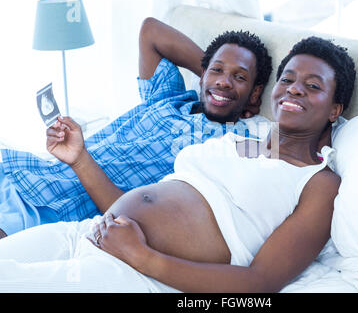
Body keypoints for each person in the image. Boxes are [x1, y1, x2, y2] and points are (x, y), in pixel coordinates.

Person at [0, 36, 356, 292]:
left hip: (138, 272)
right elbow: (153, 202)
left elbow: (259, 283)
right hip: (91, 231)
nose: (293, 89)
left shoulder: (319, 182)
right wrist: (79, 157)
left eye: (312, 86)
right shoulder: (244, 143)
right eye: (288, 79)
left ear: (335, 109)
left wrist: (143, 257)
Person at [0, 17, 273, 239]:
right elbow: (150, 30)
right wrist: (212, 78)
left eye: (239, 77)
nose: (225, 82)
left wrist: (220, 81)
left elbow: (292, 149)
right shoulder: (169, 96)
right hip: (20, 173)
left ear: (255, 93)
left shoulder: (231, 142)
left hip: (46, 207)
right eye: (217, 70)